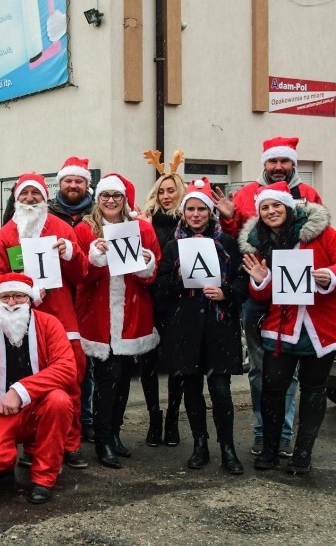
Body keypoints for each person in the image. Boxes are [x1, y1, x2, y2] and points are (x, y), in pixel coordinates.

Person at [216, 137, 322, 458]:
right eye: (273, 162)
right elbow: (239, 237)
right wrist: (228, 217)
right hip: (257, 293)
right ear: (264, 164)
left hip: (295, 294)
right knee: (261, 369)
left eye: (284, 162)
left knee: (289, 371)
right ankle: (265, 432)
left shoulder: (310, 195)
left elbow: (319, 241)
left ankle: (285, 434)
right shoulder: (246, 194)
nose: (278, 167)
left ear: (293, 164)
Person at [240, 182, 336, 474]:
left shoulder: (322, 235)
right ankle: (270, 450)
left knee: (313, 390)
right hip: (281, 328)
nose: (271, 211)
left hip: (318, 327)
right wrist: (260, 279)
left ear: (288, 207)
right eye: (265, 207)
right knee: (272, 388)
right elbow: (263, 295)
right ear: (259, 213)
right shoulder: (260, 242)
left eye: (276, 205)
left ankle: (302, 454)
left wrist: (330, 275)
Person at [0, 173, 89, 470]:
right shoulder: (5, 234)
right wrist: (21, 290)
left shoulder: (61, 229)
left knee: (69, 383)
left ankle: (70, 444)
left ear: (44, 198)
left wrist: (69, 253)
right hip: (19, 323)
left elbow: (81, 273)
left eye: (35, 193)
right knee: (28, 381)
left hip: (60, 318)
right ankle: (34, 444)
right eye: (24, 194)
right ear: (16, 199)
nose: (30, 198)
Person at [0, 273, 77, 504]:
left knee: (60, 401)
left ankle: (44, 478)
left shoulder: (49, 323)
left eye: (18, 296)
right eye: (5, 297)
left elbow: (67, 368)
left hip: (38, 408)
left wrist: (21, 389)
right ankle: (5, 464)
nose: (11, 303)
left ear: (30, 298)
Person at [156, 178, 246, 474]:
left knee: (220, 390)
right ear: (183, 213)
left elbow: (242, 281)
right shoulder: (173, 247)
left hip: (219, 327)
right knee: (192, 389)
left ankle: (228, 449)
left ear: (210, 213)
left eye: (201, 210)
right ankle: (200, 444)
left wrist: (227, 293)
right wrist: (176, 279)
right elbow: (161, 291)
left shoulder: (228, 243)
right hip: (185, 327)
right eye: (191, 209)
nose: (196, 215)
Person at [74, 173, 160, 469]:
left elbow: (152, 274)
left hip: (131, 315)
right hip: (98, 315)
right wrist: (94, 259)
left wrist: (146, 264)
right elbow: (78, 275)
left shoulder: (142, 229)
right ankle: (102, 439)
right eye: (105, 196)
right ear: (98, 199)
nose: (111, 201)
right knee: (107, 379)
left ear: (125, 200)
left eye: (117, 196)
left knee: (123, 379)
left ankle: (115, 433)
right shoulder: (85, 230)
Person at [138, 153, 188, 447]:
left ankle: (172, 417)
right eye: (161, 191)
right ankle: (154, 416)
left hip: (178, 301)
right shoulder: (145, 223)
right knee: (148, 362)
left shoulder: (189, 222)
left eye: (171, 190)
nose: (166, 196)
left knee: (177, 362)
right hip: (149, 299)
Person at [46, 156, 96, 443]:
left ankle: (85, 418)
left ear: (86, 184)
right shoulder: (47, 211)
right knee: (63, 364)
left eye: (78, 181)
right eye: (68, 180)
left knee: (83, 365)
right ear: (60, 183)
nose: (73, 185)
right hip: (58, 299)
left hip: (86, 297)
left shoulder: (98, 212)